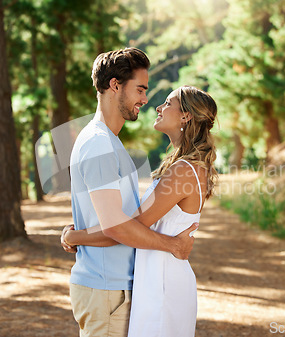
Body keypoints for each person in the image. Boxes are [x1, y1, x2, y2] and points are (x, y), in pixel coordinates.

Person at [61, 47, 198, 337]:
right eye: (140, 89)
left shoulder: (109, 142)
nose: (145, 100)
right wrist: (171, 245)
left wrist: (77, 235)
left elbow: (114, 217)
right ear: (115, 86)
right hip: (108, 290)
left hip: (115, 288)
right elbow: (116, 227)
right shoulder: (99, 143)